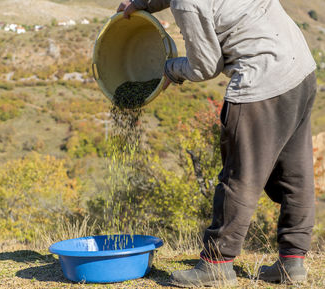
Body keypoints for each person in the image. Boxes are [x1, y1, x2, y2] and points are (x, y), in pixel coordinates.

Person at [117, 0, 317, 286]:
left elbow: (205, 66)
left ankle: (216, 263)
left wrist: (168, 69)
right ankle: (292, 263)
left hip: (261, 83)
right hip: (299, 70)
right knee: (295, 175)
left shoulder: (187, 4)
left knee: (239, 178)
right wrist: (143, 4)